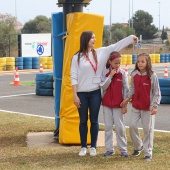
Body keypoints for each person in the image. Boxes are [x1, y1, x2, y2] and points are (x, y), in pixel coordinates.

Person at [71, 30, 138, 157]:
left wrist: (131, 38)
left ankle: (94, 147)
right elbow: (73, 77)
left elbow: (116, 46)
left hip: (95, 92)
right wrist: (75, 95)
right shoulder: (76, 57)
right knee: (83, 120)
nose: (94, 40)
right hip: (81, 93)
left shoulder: (101, 52)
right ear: (85, 39)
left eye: (95, 37)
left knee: (94, 120)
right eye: (92, 38)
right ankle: (84, 146)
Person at [121, 53, 161, 161]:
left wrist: (155, 106)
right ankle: (139, 146)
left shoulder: (152, 75)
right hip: (136, 107)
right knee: (132, 126)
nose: (140, 63)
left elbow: (157, 92)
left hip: (148, 108)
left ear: (148, 62)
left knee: (148, 130)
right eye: (138, 61)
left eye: (142, 61)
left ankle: (148, 153)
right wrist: (127, 98)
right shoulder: (134, 74)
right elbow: (132, 89)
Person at [100, 51, 129, 157]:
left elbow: (126, 88)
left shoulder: (123, 73)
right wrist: (110, 76)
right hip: (107, 104)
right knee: (108, 127)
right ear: (110, 62)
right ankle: (109, 149)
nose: (118, 65)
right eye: (116, 63)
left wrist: (125, 104)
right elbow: (103, 86)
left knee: (120, 127)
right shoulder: (105, 73)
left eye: (119, 63)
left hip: (119, 105)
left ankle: (123, 149)